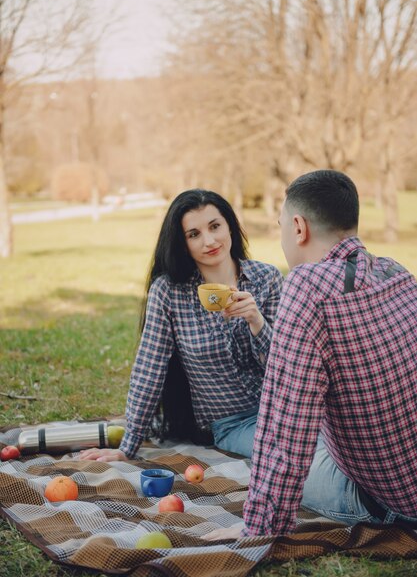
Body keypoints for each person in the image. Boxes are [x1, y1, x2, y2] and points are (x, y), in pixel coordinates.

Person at [204, 169, 417, 541]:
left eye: (281, 224)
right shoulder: (395, 272)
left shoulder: (307, 286)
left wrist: (259, 527)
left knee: (267, 453)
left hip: (389, 499)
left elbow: (286, 425)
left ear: (299, 228)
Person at [79, 188, 284, 462]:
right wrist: (127, 447)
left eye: (215, 226)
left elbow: (287, 366)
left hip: (285, 407)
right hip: (232, 424)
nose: (209, 240)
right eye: (194, 234)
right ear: (182, 243)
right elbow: (149, 368)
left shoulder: (267, 278)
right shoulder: (168, 291)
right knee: (300, 457)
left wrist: (257, 322)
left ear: (230, 227)